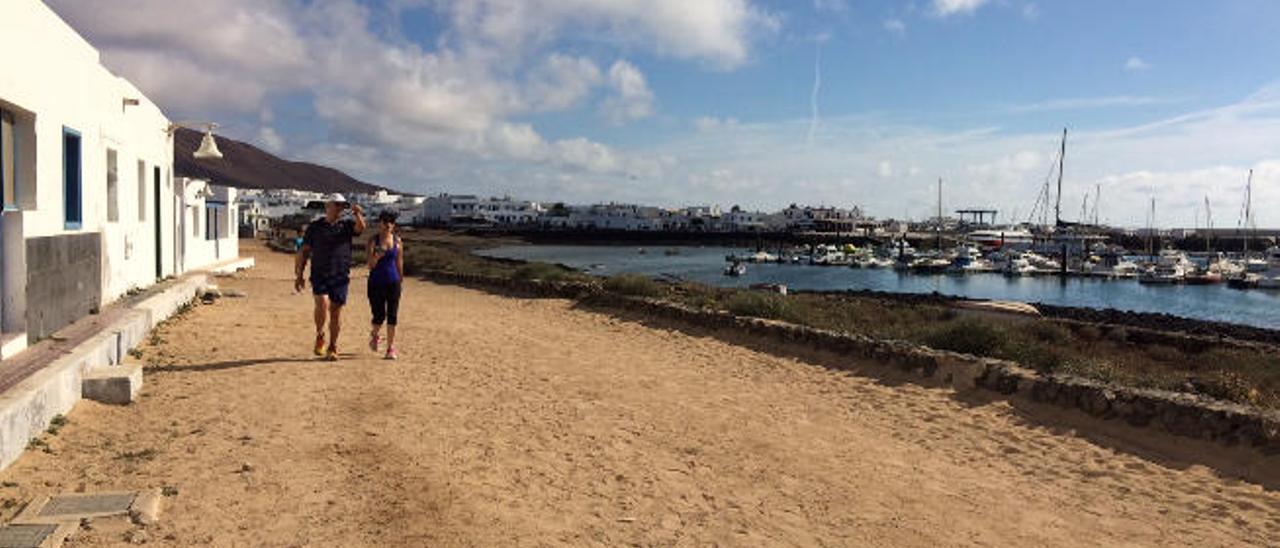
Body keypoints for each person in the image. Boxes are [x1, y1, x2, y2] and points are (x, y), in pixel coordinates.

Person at [295, 194, 366, 361]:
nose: (341, 208)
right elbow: (304, 251)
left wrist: (358, 214)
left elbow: (360, 229)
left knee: (336, 312)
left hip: (340, 275)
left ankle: (333, 346)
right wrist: (299, 275)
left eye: (343, 206)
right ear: (328, 206)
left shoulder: (346, 225)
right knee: (322, 302)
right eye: (338, 205)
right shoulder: (315, 227)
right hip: (319, 274)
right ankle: (320, 334)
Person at [366, 211, 404, 360]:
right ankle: (374, 335)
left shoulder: (398, 241)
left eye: (391, 222)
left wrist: (401, 280)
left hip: (393, 283)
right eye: (385, 221)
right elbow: (370, 265)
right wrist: (377, 256)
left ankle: (390, 348)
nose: (388, 224)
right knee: (379, 315)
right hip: (376, 283)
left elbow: (399, 262)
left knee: (392, 316)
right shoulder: (372, 241)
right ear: (379, 223)